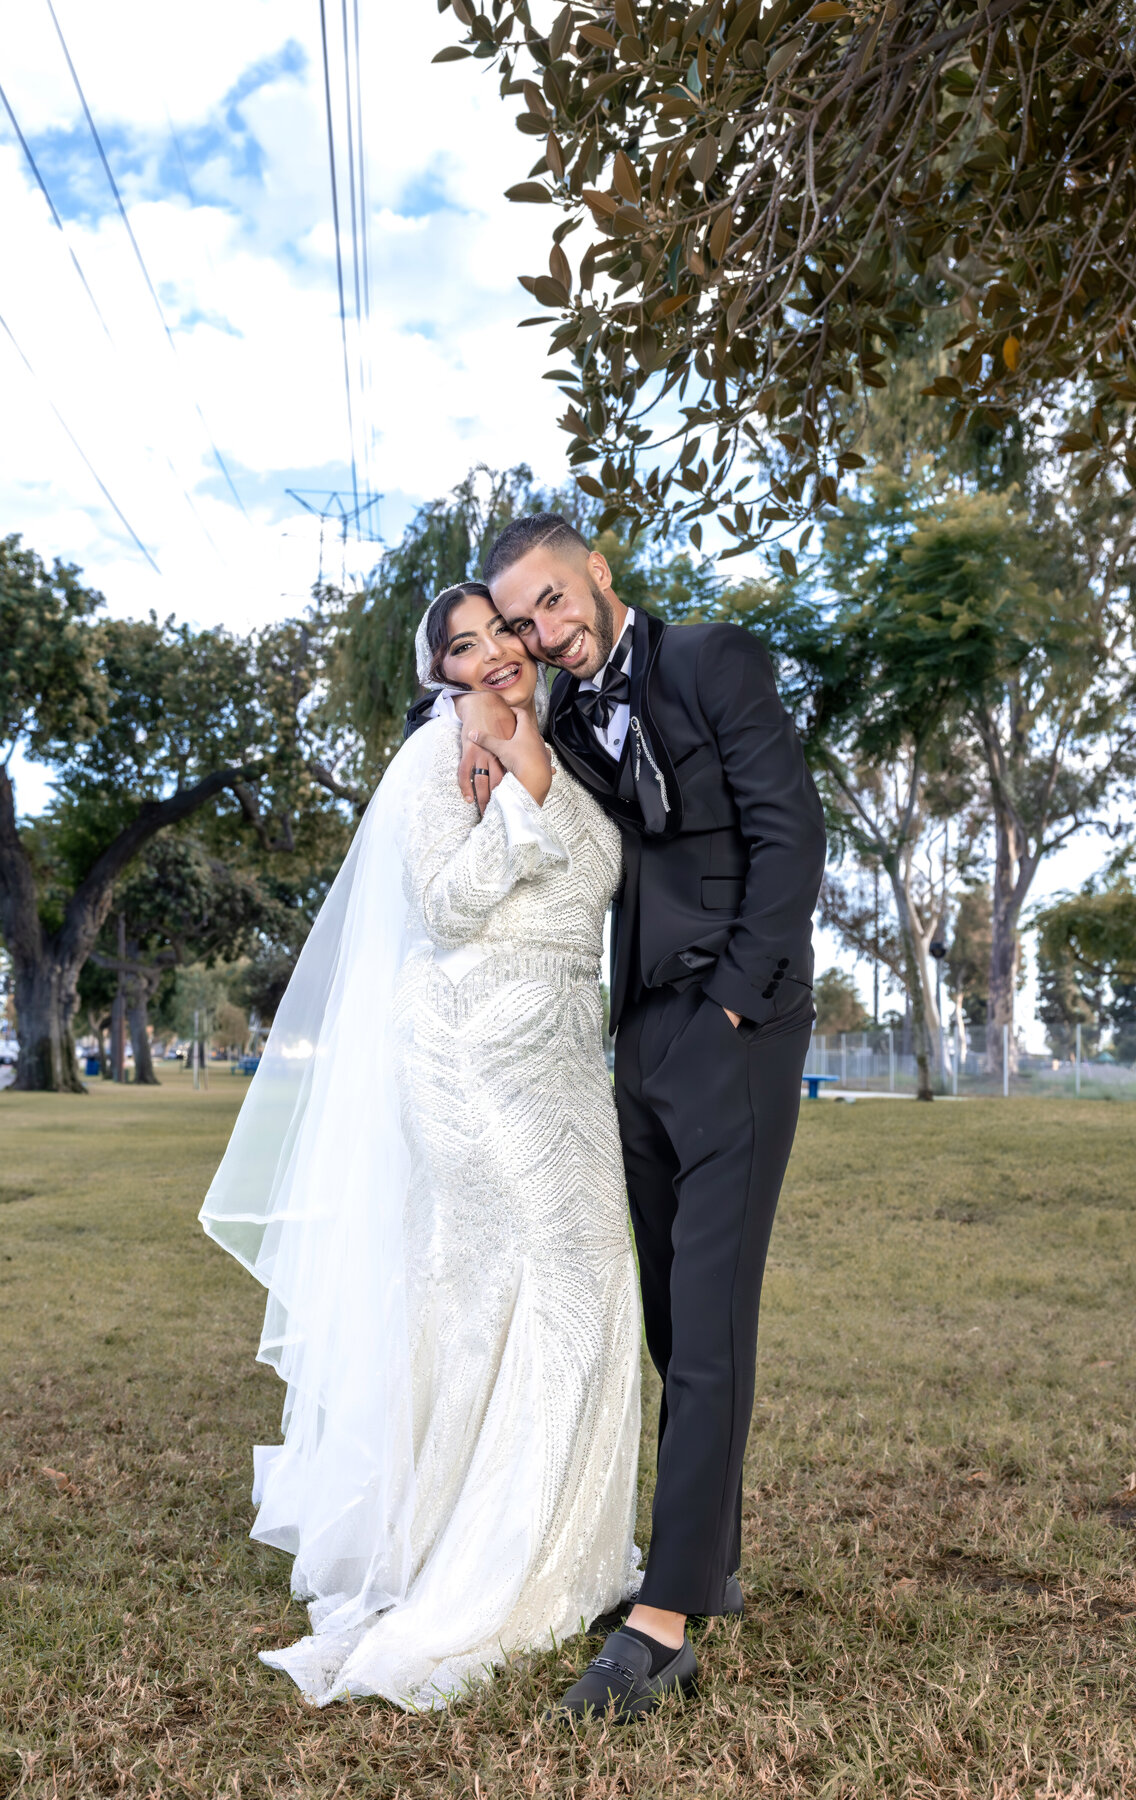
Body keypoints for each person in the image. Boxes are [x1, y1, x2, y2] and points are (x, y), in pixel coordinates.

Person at [409, 517, 826, 1720]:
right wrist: (476, 728)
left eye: (552, 599)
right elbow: (505, 745)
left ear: (596, 571)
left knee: (711, 1325)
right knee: (673, 1326)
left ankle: (663, 1624)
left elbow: (790, 832)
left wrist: (738, 1005)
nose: (543, 631)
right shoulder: (566, 709)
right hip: (634, 1038)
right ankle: (708, 1563)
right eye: (521, 621)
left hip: (735, 1027)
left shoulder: (711, 659)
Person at [199, 582, 642, 1710]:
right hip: (470, 1053)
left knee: (588, 1283)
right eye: (464, 645)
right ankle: (487, 1563)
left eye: (503, 632)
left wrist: (537, 775)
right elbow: (444, 907)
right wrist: (519, 806)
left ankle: (572, 1550)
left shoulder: (557, 740)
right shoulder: (445, 753)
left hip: (563, 1058)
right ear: (438, 670)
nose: (493, 654)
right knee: (525, 1283)